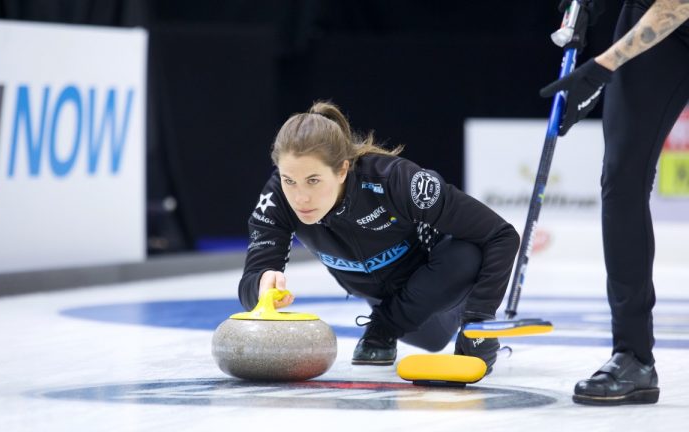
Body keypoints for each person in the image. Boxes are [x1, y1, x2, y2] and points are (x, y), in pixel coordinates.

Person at [237, 101, 519, 373]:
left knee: (468, 254)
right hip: (386, 301)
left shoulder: (397, 182)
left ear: (342, 169)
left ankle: (384, 327)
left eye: (313, 180)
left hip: (438, 286)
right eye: (289, 180)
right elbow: (250, 282)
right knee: (431, 341)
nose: (300, 197)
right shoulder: (277, 198)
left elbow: (501, 235)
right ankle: (387, 323)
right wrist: (261, 285)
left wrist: (478, 323)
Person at [540, 0, 689, 405]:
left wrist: (604, 65)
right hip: (653, 20)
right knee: (622, 178)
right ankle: (633, 357)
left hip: (673, 10)